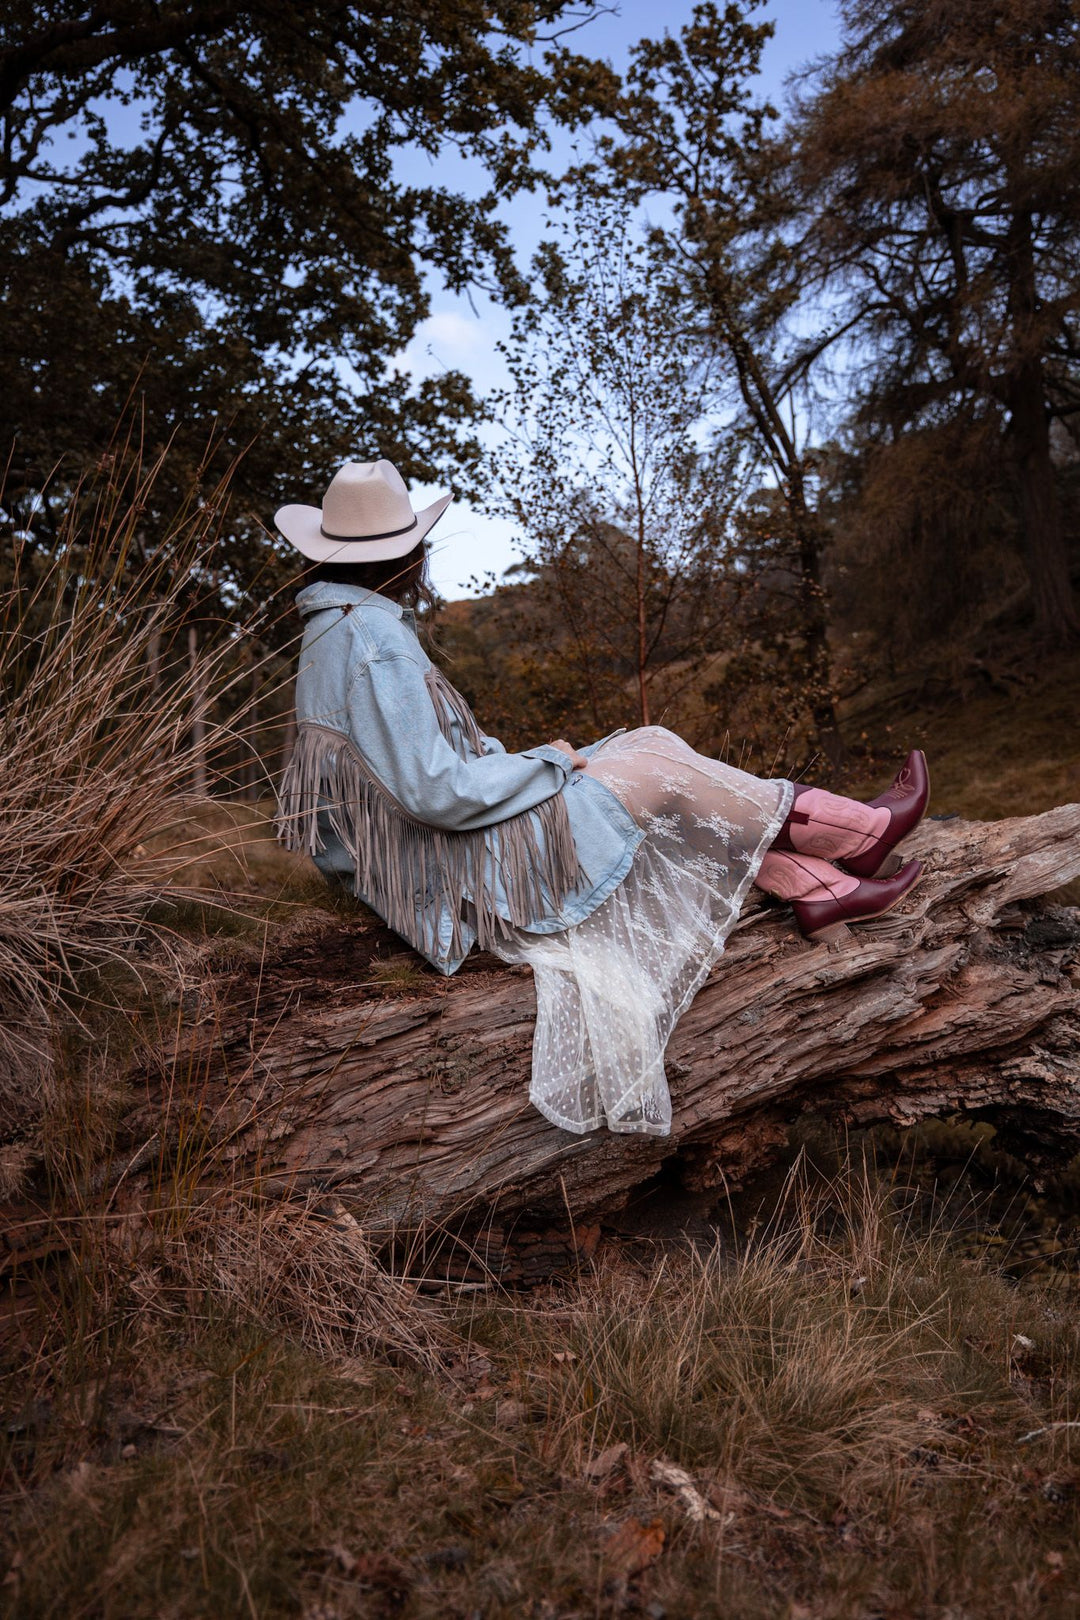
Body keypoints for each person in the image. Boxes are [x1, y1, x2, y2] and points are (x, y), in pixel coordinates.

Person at [275, 460, 928, 1137]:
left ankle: (811, 877)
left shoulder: (333, 631)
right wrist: (547, 765)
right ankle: (858, 835)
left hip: (424, 865)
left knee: (650, 741)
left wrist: (530, 768)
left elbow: (391, 788)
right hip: (458, 878)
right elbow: (434, 791)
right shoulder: (374, 641)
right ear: (406, 555)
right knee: (653, 767)